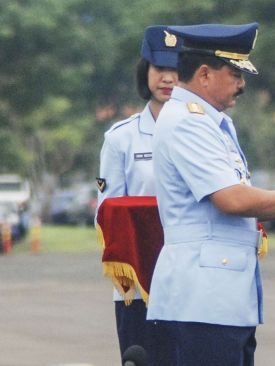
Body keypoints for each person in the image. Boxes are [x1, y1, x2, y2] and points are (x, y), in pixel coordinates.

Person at [146, 23, 275, 365]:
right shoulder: (189, 123)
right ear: (204, 74)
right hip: (203, 299)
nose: (242, 84)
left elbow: (229, 206)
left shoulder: (211, 121)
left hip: (220, 297)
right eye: (235, 73)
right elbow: (231, 200)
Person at [95, 25, 179, 364]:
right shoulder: (121, 138)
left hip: (191, 279)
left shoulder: (210, 132)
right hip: (139, 283)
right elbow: (108, 212)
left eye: (176, 70)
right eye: (159, 69)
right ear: (145, 72)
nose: (168, 79)